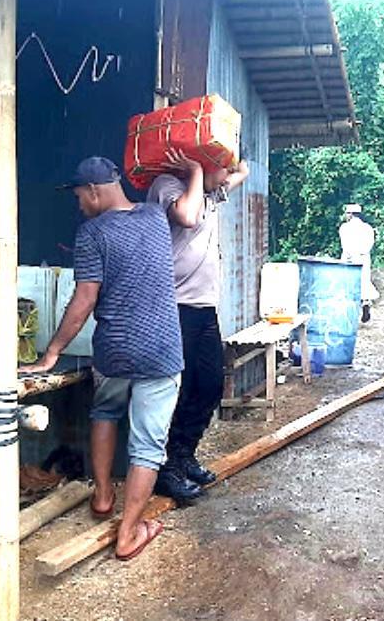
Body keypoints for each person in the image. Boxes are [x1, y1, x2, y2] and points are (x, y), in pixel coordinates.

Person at [22, 157, 183, 561]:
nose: (79, 205)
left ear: (94, 191)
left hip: (115, 349)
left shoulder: (91, 233)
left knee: (105, 412)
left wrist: (52, 352)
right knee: (148, 444)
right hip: (161, 349)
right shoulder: (155, 217)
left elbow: (84, 299)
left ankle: (103, 497)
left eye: (79, 197)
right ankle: (130, 532)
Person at [146, 149, 249, 503]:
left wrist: (231, 155)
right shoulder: (168, 187)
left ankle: (182, 455)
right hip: (173, 307)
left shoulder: (209, 191)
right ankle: (162, 470)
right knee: (176, 390)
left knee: (209, 385)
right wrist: (193, 168)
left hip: (204, 309)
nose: (226, 178)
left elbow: (241, 173)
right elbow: (187, 217)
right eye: (221, 170)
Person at [339, 203, 380, 323]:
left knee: (348, 285)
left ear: (350, 214)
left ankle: (350, 314)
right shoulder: (367, 228)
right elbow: (369, 244)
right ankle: (365, 302)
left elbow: (345, 245)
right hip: (363, 258)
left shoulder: (344, 228)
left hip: (349, 258)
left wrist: (350, 255)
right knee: (364, 281)